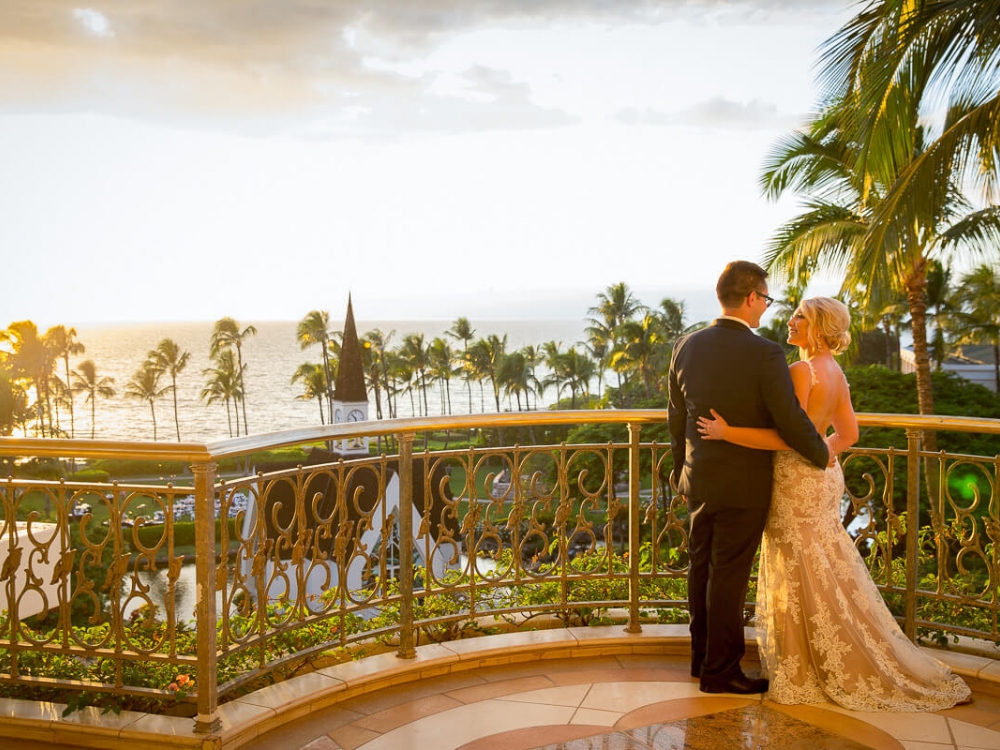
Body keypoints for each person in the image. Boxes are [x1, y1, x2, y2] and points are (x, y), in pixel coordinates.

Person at [697, 296, 971, 710]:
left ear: (820, 328)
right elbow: (849, 433)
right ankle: (839, 653)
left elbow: (786, 438)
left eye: (800, 317)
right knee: (824, 562)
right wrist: (823, 454)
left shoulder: (799, 371)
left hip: (794, 479)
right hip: (823, 477)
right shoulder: (835, 371)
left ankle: (807, 665)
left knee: (797, 565)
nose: (790, 321)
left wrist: (726, 431)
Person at [667, 261, 830, 695]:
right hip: (743, 485)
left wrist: (680, 470)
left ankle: (701, 661)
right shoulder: (765, 352)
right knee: (729, 576)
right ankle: (722, 672)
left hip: (699, 479)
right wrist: (821, 454)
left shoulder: (686, 345)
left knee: (701, 568)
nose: (766, 309)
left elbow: (676, 417)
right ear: (752, 297)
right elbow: (790, 419)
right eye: (766, 299)